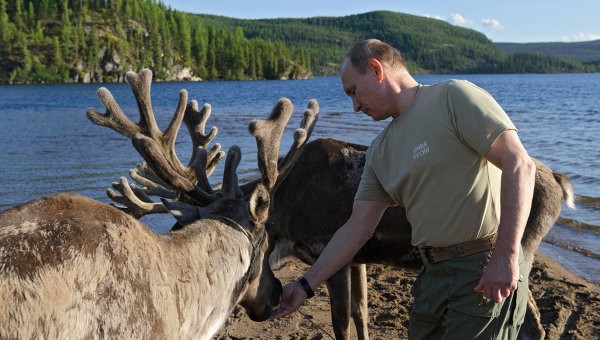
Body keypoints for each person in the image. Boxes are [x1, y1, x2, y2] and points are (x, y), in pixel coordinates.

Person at [270, 39, 536, 339]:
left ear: (375, 69)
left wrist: (506, 256)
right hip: (431, 276)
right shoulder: (381, 150)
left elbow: (520, 165)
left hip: (482, 266)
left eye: (353, 92)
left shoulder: (453, 98)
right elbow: (356, 228)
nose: (355, 106)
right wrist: (305, 285)